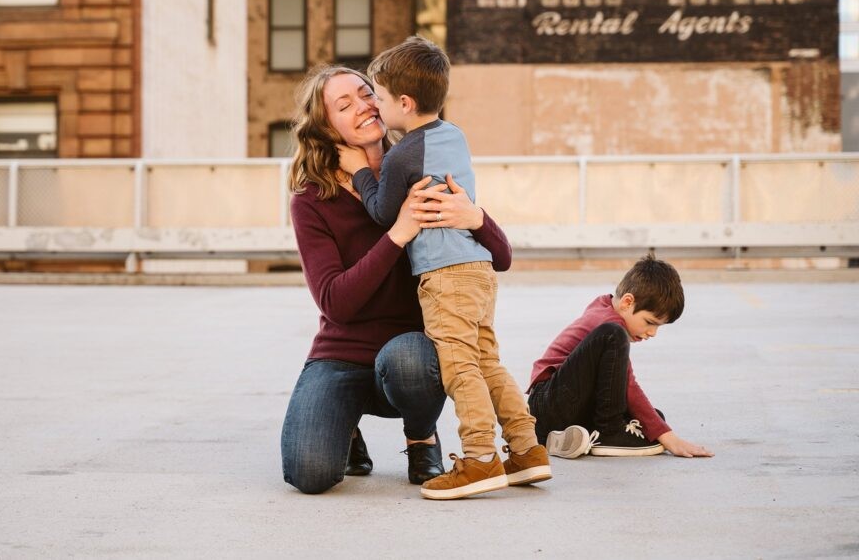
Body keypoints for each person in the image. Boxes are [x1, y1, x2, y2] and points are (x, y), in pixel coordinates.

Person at [281, 64, 515, 495]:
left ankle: (421, 434)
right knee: (308, 474)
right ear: (325, 126)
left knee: (410, 358)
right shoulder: (312, 200)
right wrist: (398, 233)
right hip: (342, 354)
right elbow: (336, 302)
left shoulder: (414, 165)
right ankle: (344, 424)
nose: (364, 106)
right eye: (343, 104)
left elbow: (500, 257)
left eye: (367, 93)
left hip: (410, 353)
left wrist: (477, 219)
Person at [337, 36, 548, 501]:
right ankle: (528, 450)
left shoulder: (401, 156)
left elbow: (381, 211)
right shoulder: (453, 136)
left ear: (405, 103)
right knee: (487, 362)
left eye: (381, 96)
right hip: (476, 267)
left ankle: (478, 459)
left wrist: (359, 171)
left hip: (445, 275)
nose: (376, 104)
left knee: (459, 368)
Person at [527, 254, 714, 459]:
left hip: (567, 405)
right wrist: (669, 437)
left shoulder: (607, 308)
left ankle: (568, 437)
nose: (652, 333)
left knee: (653, 418)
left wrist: (659, 428)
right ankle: (609, 432)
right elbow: (628, 386)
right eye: (650, 322)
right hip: (548, 403)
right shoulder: (608, 326)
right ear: (627, 302)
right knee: (613, 335)